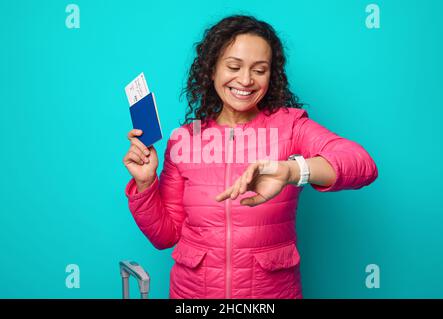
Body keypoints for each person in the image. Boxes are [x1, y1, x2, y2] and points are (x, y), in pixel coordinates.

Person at [123, 15, 378, 299]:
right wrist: (146, 185)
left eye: (259, 70)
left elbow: (362, 164)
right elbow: (165, 236)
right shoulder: (185, 138)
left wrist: (293, 171)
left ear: (272, 75)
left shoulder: (291, 126)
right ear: (211, 70)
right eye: (233, 66)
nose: (245, 80)